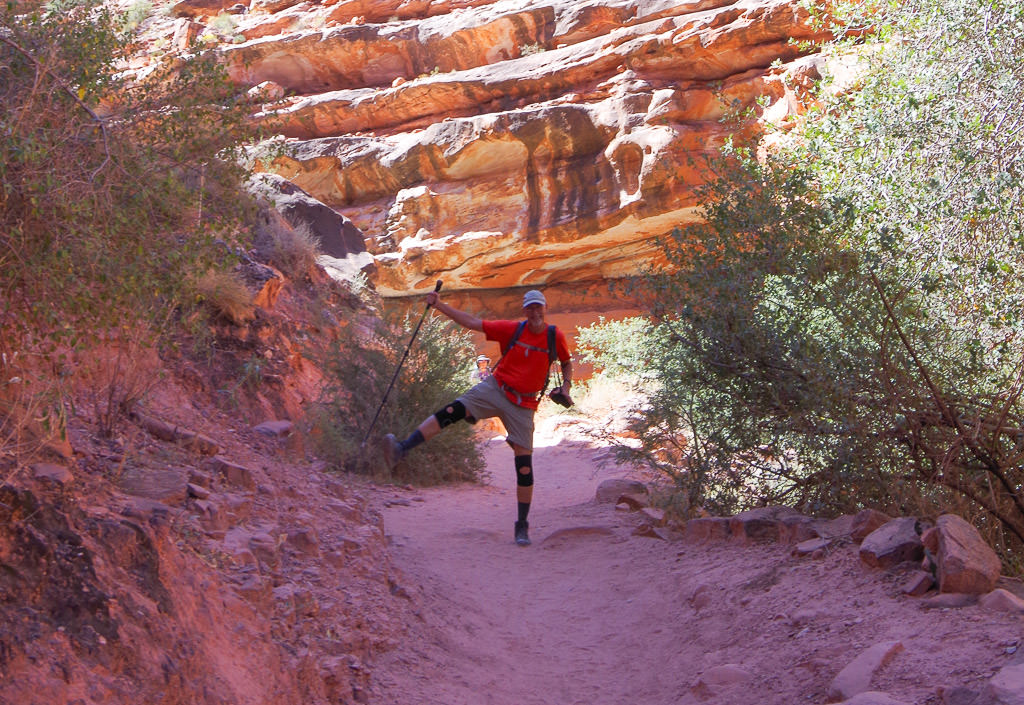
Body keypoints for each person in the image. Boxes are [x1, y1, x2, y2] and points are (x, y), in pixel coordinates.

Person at [382, 289, 573, 546]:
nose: (535, 312)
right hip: (496, 388)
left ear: (545, 308)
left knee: (524, 467)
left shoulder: (554, 336)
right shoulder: (512, 329)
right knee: (452, 411)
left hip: (524, 404)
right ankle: (401, 449)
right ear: (525, 311)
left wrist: (566, 387)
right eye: (530, 308)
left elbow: (566, 362)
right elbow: (472, 322)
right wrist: (439, 305)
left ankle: (522, 526)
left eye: (538, 307)